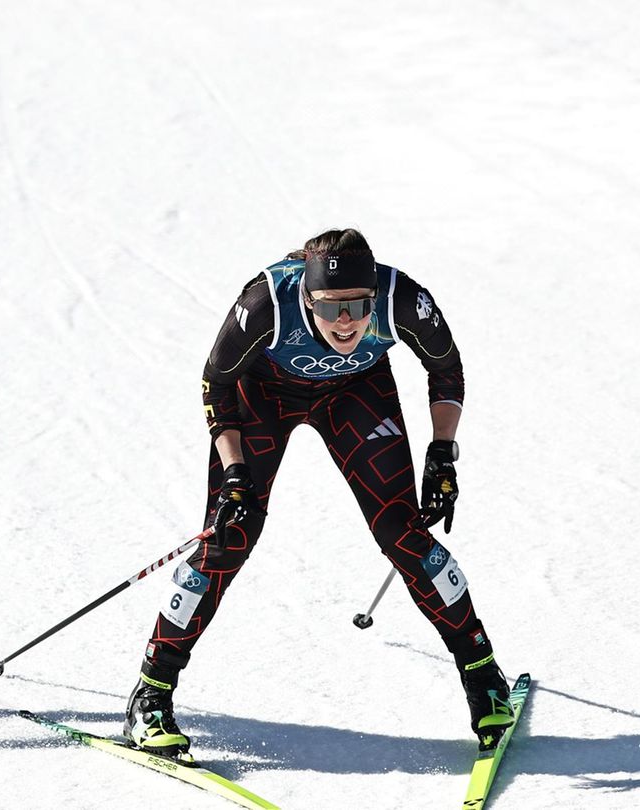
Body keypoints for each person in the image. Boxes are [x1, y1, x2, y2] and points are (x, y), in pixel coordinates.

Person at [124, 228, 512, 758]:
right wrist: (235, 474)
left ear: (373, 294)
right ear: (308, 297)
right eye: (331, 309)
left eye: (357, 305)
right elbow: (216, 382)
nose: (346, 321)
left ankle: (483, 674)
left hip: (355, 392)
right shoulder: (265, 303)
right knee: (231, 537)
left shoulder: (404, 299)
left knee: (404, 532)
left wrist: (442, 452)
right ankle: (151, 693)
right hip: (261, 394)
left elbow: (445, 367)